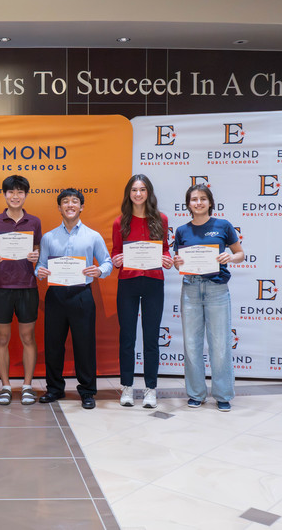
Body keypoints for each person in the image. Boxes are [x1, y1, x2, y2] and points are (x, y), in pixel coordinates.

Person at [35, 188, 112, 409]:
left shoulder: (93, 236)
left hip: (81, 294)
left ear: (81, 207)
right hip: (56, 295)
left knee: (84, 344)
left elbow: (106, 261)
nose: (70, 205)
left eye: (74, 201)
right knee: (53, 345)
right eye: (65, 202)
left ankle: (87, 391)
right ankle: (55, 389)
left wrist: (100, 271)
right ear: (59, 207)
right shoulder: (49, 237)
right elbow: (41, 264)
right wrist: (39, 272)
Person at [173, 184, 244, 412]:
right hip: (191, 289)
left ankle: (223, 394)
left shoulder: (223, 226)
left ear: (210, 202)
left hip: (216, 289)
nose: (199, 203)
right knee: (192, 344)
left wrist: (230, 258)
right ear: (188, 205)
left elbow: (240, 253)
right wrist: (177, 264)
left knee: (220, 343)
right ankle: (196, 394)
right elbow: (178, 261)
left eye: (203, 198)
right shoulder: (182, 231)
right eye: (194, 199)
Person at [111, 175, 173, 408]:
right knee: (127, 337)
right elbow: (116, 252)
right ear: (128, 193)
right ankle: (127, 387)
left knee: (150, 338)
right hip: (127, 282)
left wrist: (166, 259)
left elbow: (165, 249)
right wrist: (117, 259)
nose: (138, 194)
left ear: (149, 193)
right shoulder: (120, 222)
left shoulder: (161, 219)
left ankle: (150, 389)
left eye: (143, 189)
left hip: (153, 282)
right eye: (134, 190)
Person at [0, 175, 41, 406]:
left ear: (26, 195)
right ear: (5, 194)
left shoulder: (34, 222)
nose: (15, 196)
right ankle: (5, 385)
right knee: (2, 337)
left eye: (20, 192)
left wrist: (35, 257)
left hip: (27, 286)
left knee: (28, 337)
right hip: (1, 287)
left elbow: (37, 249)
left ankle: (27, 385)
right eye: (11, 192)